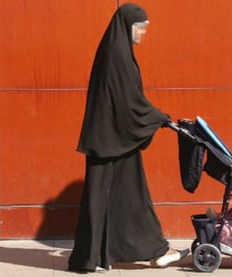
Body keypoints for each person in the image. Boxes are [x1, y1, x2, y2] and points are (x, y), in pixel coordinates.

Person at [68, 3, 188, 273]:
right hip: (113, 140)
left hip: (111, 140)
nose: (143, 33)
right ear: (127, 27)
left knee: (108, 198)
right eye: (140, 28)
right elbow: (129, 102)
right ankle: (155, 251)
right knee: (129, 198)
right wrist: (157, 117)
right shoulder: (118, 56)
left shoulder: (114, 52)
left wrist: (154, 117)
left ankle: (96, 257)